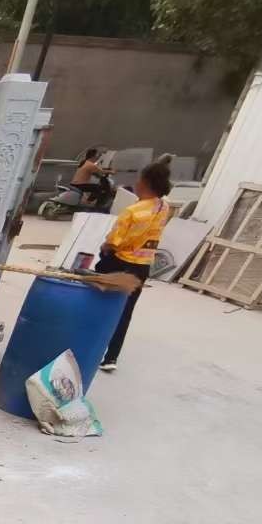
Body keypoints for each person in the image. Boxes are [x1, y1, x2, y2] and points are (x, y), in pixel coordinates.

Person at [94, 159, 172, 371]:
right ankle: (111, 358)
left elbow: (115, 241)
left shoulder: (132, 211)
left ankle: (89, 341)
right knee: (125, 311)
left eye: (139, 179)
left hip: (120, 262)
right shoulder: (163, 206)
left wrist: (105, 246)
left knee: (98, 297)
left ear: (145, 182)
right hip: (142, 266)